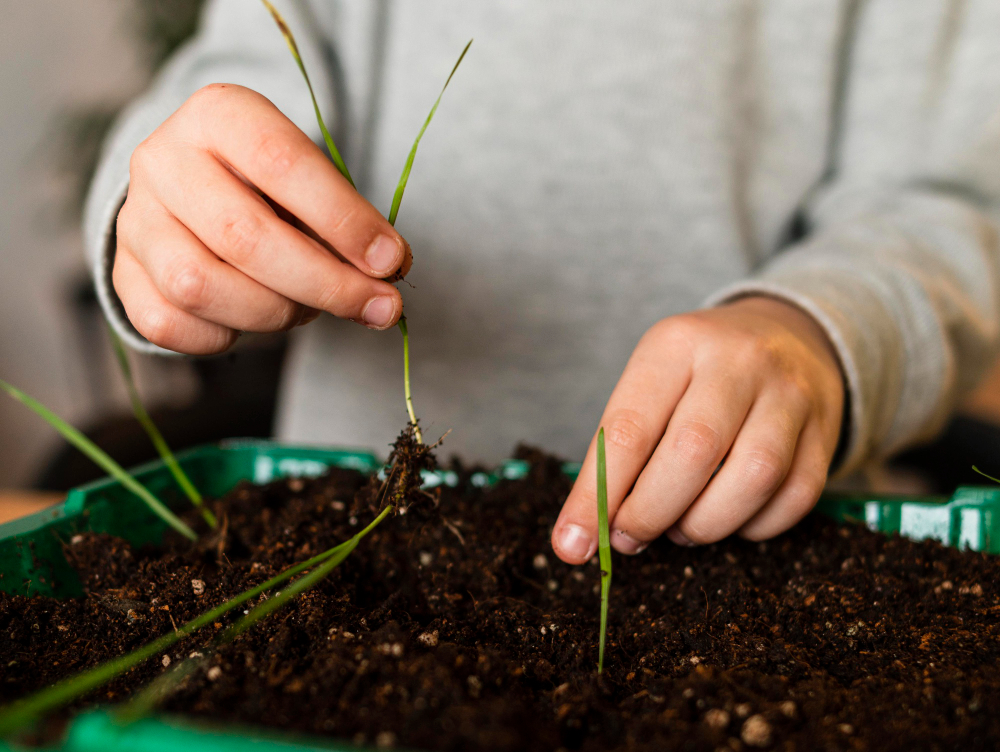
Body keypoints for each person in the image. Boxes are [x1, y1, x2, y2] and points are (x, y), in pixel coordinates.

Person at [85, 0, 1000, 565]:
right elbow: (242, 71)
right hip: (355, 523)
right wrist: (172, 205)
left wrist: (813, 330)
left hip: (765, 529)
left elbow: (951, 201)